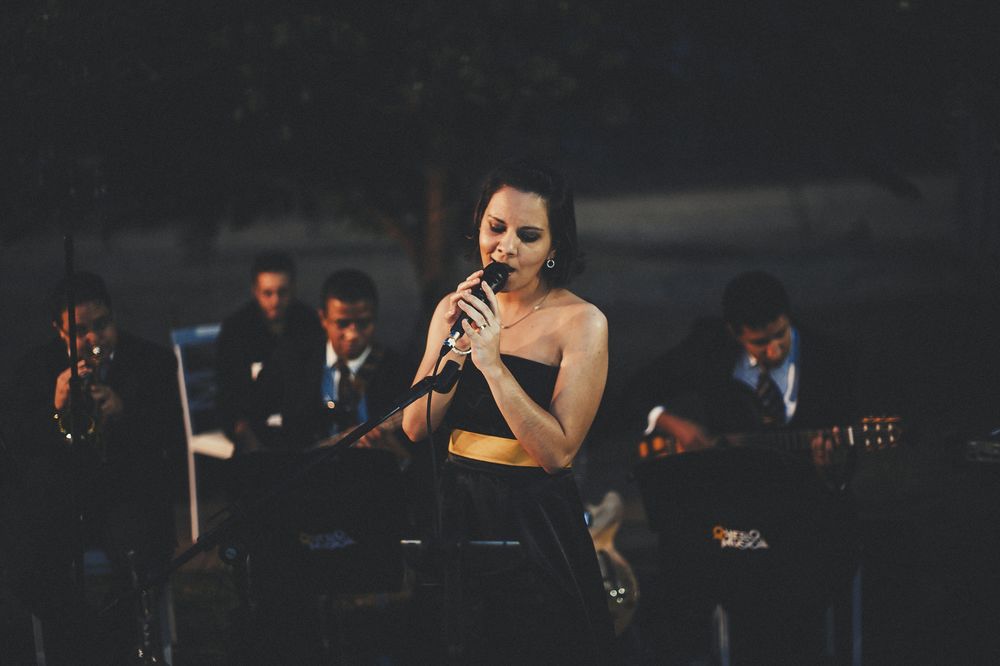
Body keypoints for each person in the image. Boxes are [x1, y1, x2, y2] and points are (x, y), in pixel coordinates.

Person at [401, 157, 616, 664]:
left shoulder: (581, 322)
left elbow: (557, 453)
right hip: (458, 505)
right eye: (495, 228)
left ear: (554, 247)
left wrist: (493, 365)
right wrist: (456, 345)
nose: (506, 247)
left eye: (528, 235)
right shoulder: (453, 308)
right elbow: (414, 426)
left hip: (530, 516)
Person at [626, 270, 859, 664]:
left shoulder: (830, 359)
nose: (773, 350)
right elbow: (636, 391)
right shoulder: (709, 347)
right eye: (759, 342)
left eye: (780, 335)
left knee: (790, 585)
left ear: (788, 317)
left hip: (803, 518)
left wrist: (830, 468)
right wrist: (672, 423)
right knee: (684, 558)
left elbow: (844, 478)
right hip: (733, 512)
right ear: (735, 333)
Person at [1, 271, 184, 664]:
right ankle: (92, 642)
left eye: (101, 325)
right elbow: (17, 441)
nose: (93, 339)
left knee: (141, 558)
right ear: (58, 330)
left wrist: (124, 413)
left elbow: (170, 436)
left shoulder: (152, 361)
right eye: (79, 331)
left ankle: (112, 645)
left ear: (113, 316)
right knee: (24, 563)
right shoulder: (35, 367)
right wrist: (56, 408)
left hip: (127, 494)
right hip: (66, 498)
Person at [215, 251, 323, 453]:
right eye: (268, 293)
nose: (275, 301)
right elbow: (229, 389)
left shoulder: (308, 321)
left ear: (293, 289)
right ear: (255, 291)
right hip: (248, 415)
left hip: (298, 415)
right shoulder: (237, 328)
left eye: (282, 292)